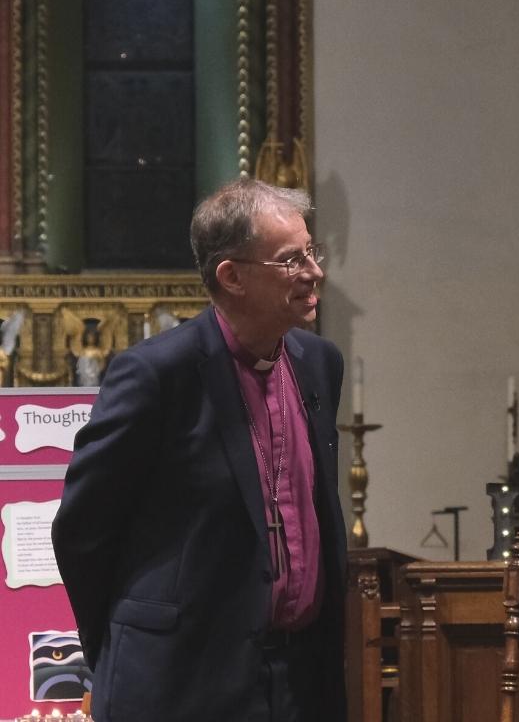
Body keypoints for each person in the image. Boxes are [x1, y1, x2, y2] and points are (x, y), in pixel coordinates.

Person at [52, 179, 348, 721]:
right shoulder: (156, 374)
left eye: (311, 251)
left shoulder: (318, 364)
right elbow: (81, 530)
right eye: (290, 260)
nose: (314, 272)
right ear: (231, 276)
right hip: (180, 684)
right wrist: (122, 643)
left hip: (300, 683)